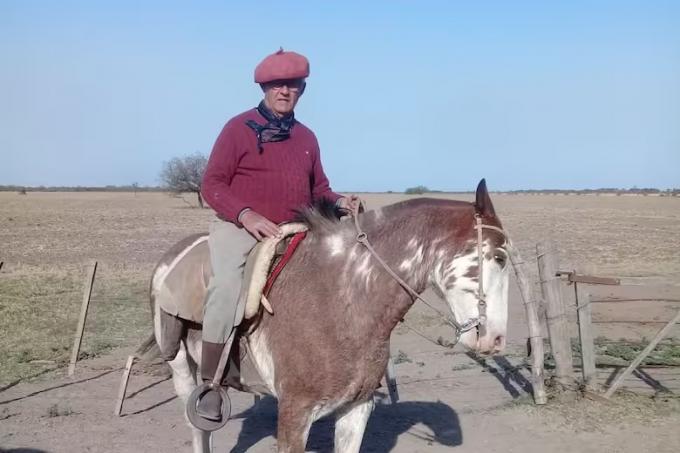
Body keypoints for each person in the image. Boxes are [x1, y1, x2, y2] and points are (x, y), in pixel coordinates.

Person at [198, 48, 358, 421]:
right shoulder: (237, 128)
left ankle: (346, 370)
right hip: (241, 228)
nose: (285, 91)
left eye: (293, 85)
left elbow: (319, 189)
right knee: (226, 288)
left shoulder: (306, 138)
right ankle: (212, 383)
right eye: (277, 85)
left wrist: (341, 202)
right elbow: (213, 184)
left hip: (295, 229)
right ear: (264, 88)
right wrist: (245, 213)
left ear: (302, 89)